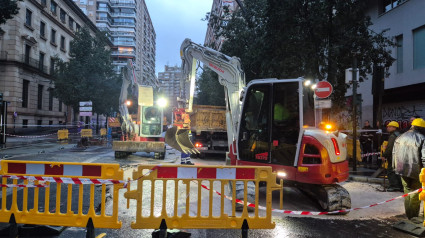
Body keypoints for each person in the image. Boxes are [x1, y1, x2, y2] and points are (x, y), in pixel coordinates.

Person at [393, 118, 425, 220]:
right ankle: (413, 217)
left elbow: (394, 154)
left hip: (402, 170)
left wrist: (396, 167)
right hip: (417, 171)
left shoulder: (400, 137)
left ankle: (409, 215)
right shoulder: (422, 138)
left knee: (407, 192)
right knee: (415, 193)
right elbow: (424, 157)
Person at [382, 121, 402, 192]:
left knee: (390, 171)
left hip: (393, 156)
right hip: (399, 156)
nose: (388, 128)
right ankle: (400, 186)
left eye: (389, 126)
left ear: (394, 127)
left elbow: (390, 148)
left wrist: (384, 155)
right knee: (397, 171)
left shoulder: (392, 136)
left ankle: (394, 186)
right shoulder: (399, 135)